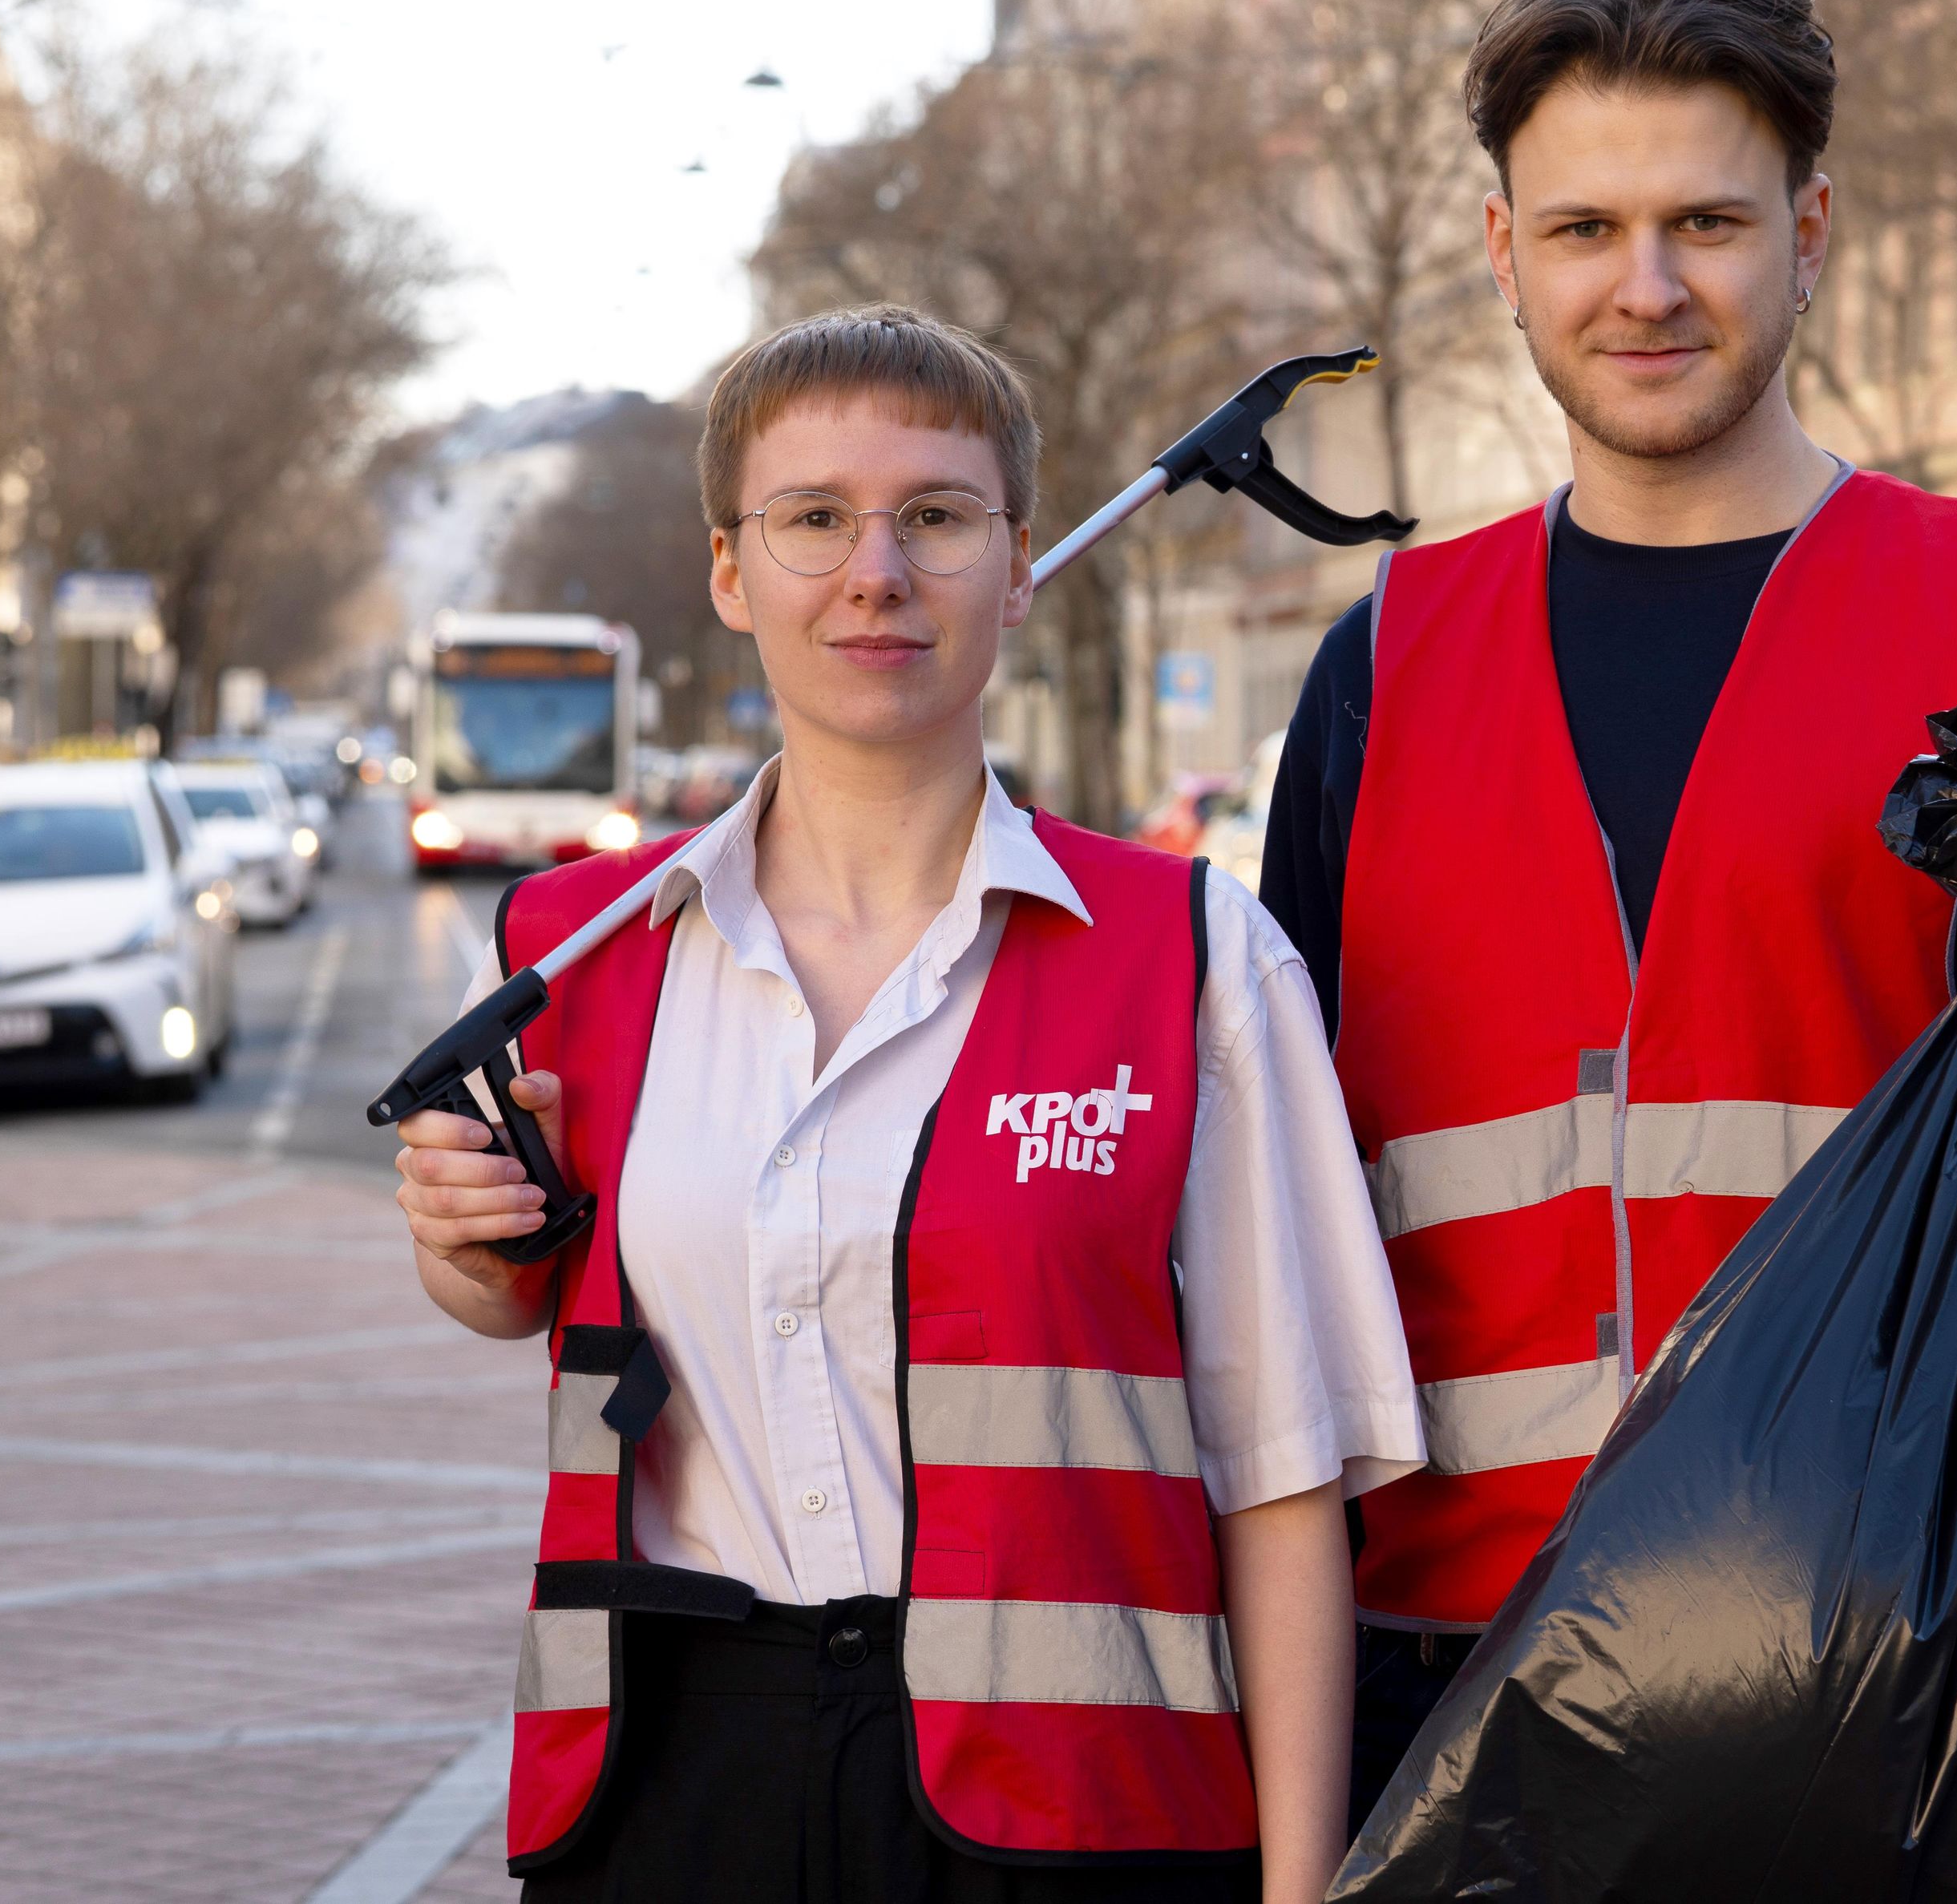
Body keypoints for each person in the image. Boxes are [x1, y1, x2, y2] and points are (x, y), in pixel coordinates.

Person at [1247, 0, 1957, 1827]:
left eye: (1703, 226)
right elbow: (1267, 1220)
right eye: (1580, 230)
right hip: (1456, 1688)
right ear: (1502, 256)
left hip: (1904, 1682)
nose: (1642, 288)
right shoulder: (1381, 664)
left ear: (1808, 230)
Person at [390, 307, 1425, 1904]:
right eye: (813, 518)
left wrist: (1303, 1892)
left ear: (1017, 567)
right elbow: (530, 1297)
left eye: (936, 516)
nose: (875, 573)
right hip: (670, 1789)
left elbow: (1282, 1480)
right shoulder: (573, 956)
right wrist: (464, 1247)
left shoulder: (1195, 961)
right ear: (731, 572)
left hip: (1087, 1816)